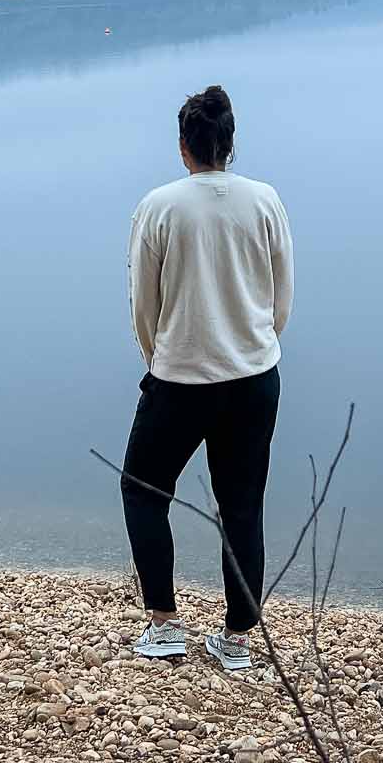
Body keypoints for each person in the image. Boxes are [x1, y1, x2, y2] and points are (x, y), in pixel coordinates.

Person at [120, 84, 293, 671]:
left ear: (183, 147)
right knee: (243, 505)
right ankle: (239, 640)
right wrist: (257, 345)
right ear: (230, 143)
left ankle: (164, 625)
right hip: (252, 375)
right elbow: (281, 295)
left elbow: (143, 302)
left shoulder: (159, 206)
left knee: (143, 490)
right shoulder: (265, 200)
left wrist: (157, 356)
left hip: (180, 378)